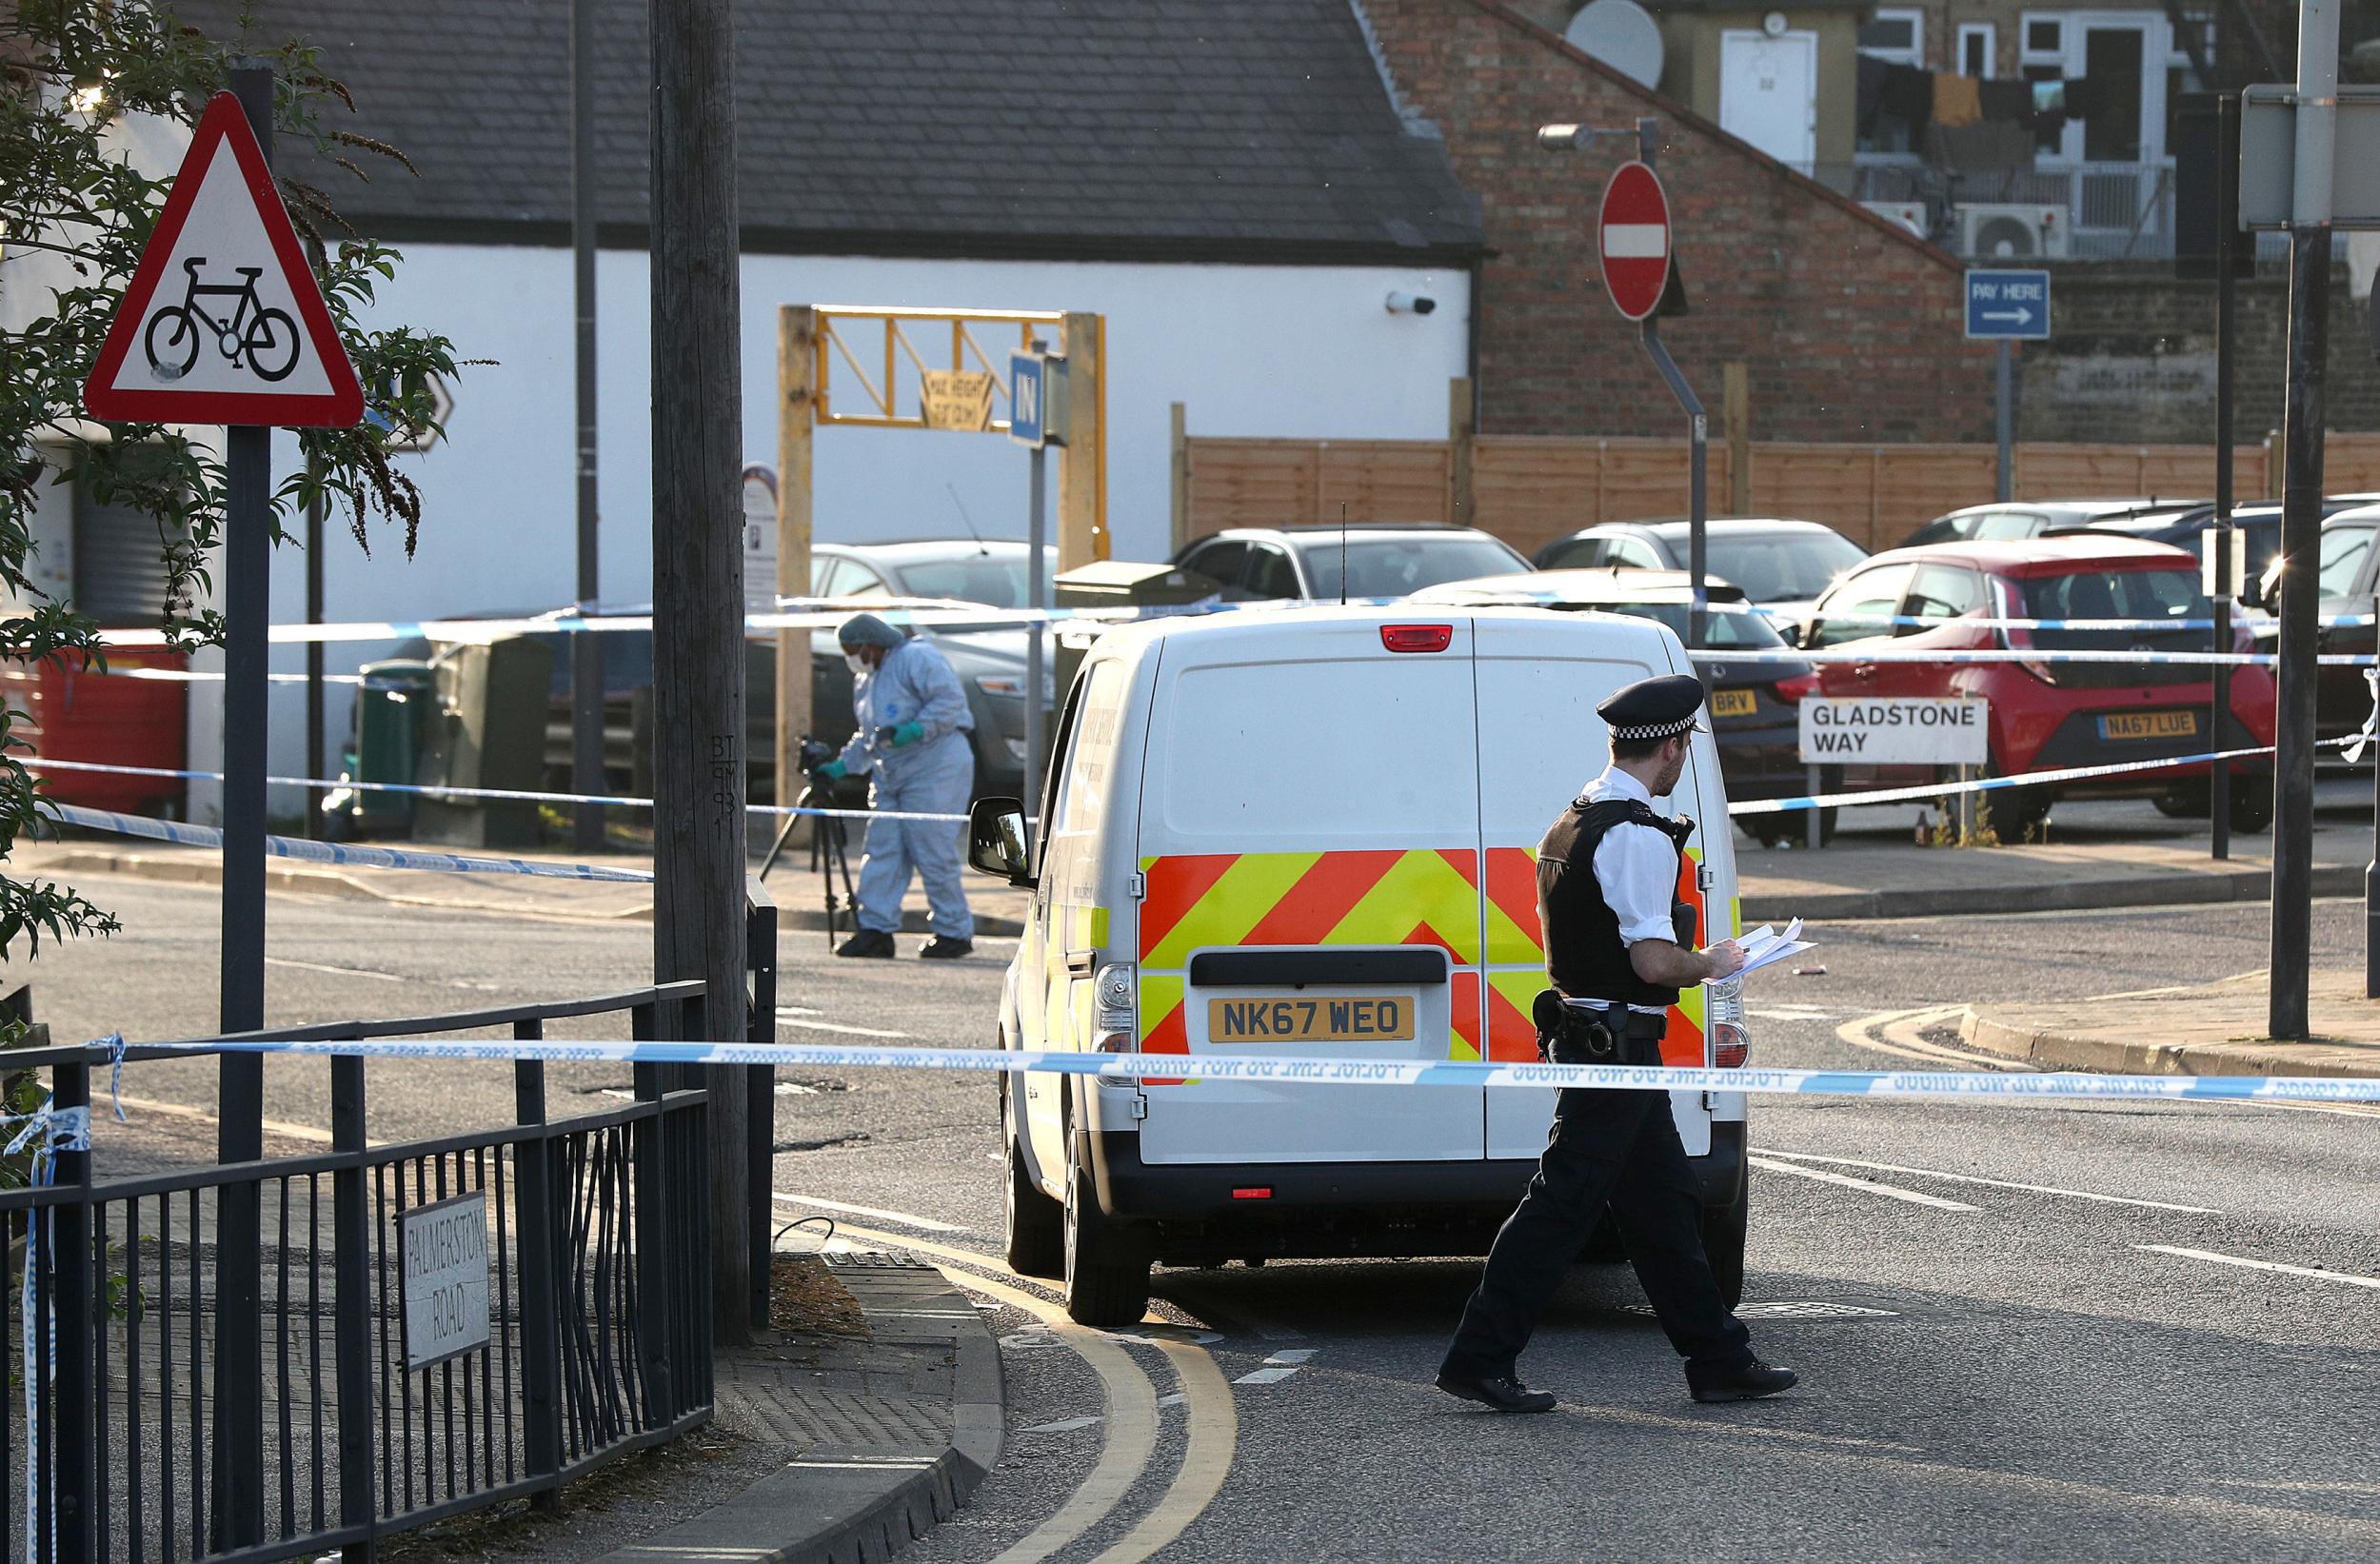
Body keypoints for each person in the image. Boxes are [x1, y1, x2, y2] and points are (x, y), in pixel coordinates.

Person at [1437, 673, 1797, 1411]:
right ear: (1670, 746)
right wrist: (1718, 962)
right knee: (1560, 1203)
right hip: (1613, 1049)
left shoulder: (1574, 819)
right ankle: (1479, 1356)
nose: (1683, 757)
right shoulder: (1635, 834)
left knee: (1663, 1202)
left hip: (1600, 1038)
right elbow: (1652, 961)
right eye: (1684, 746)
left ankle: (1718, 1357)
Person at [812, 612, 976, 960]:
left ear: (872, 645)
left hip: (935, 764)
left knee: (931, 848)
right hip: (893, 770)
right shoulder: (868, 679)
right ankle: (875, 930)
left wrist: (915, 729)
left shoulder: (917, 657)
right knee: (882, 847)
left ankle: (953, 931)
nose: (851, 658)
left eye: (853, 650)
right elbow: (871, 735)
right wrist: (843, 766)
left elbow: (950, 703)